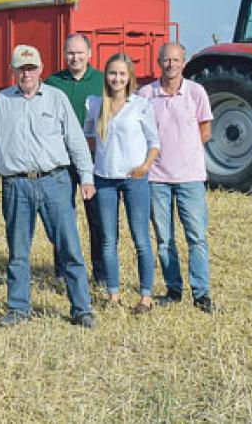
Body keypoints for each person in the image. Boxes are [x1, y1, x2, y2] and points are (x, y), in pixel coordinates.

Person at [0, 45, 96, 328]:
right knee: (18, 251)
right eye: (20, 68)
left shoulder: (57, 99)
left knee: (69, 248)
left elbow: (76, 140)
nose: (26, 74)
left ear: (40, 70)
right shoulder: (2, 101)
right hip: (16, 185)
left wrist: (87, 176)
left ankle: (81, 308)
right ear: (13, 71)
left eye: (31, 68)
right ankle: (18, 308)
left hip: (54, 181)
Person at [138, 42, 215, 313]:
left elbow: (205, 130)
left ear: (184, 63)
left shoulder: (196, 92)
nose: (171, 64)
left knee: (196, 237)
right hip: (157, 178)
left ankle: (201, 293)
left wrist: (185, 153)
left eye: (176, 60)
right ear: (159, 62)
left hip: (190, 177)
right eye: (166, 60)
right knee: (163, 239)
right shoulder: (146, 94)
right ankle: (173, 289)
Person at [84, 52, 160, 314]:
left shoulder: (140, 105)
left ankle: (145, 297)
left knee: (140, 238)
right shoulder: (95, 104)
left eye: (121, 74)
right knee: (108, 239)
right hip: (104, 179)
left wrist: (145, 167)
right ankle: (113, 294)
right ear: (106, 76)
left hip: (133, 180)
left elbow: (155, 143)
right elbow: (89, 137)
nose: (116, 78)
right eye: (112, 73)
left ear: (130, 78)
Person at [45, 33, 107, 287]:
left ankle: (101, 273)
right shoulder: (53, 82)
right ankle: (62, 270)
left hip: (95, 159)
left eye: (80, 53)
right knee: (62, 216)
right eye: (70, 53)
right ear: (64, 54)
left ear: (90, 54)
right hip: (61, 160)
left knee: (98, 217)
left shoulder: (102, 81)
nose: (75, 58)